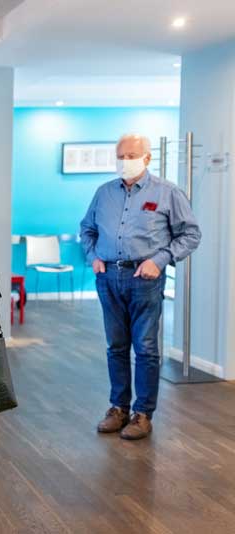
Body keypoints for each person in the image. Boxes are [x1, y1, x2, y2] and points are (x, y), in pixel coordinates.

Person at [80, 133, 201, 440]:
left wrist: (160, 260)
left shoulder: (168, 193)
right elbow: (87, 229)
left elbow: (190, 235)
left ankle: (143, 414)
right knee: (115, 347)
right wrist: (93, 256)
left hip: (145, 279)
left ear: (147, 158)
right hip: (108, 278)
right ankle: (118, 408)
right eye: (120, 155)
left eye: (131, 155)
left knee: (145, 348)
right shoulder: (104, 193)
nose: (125, 161)